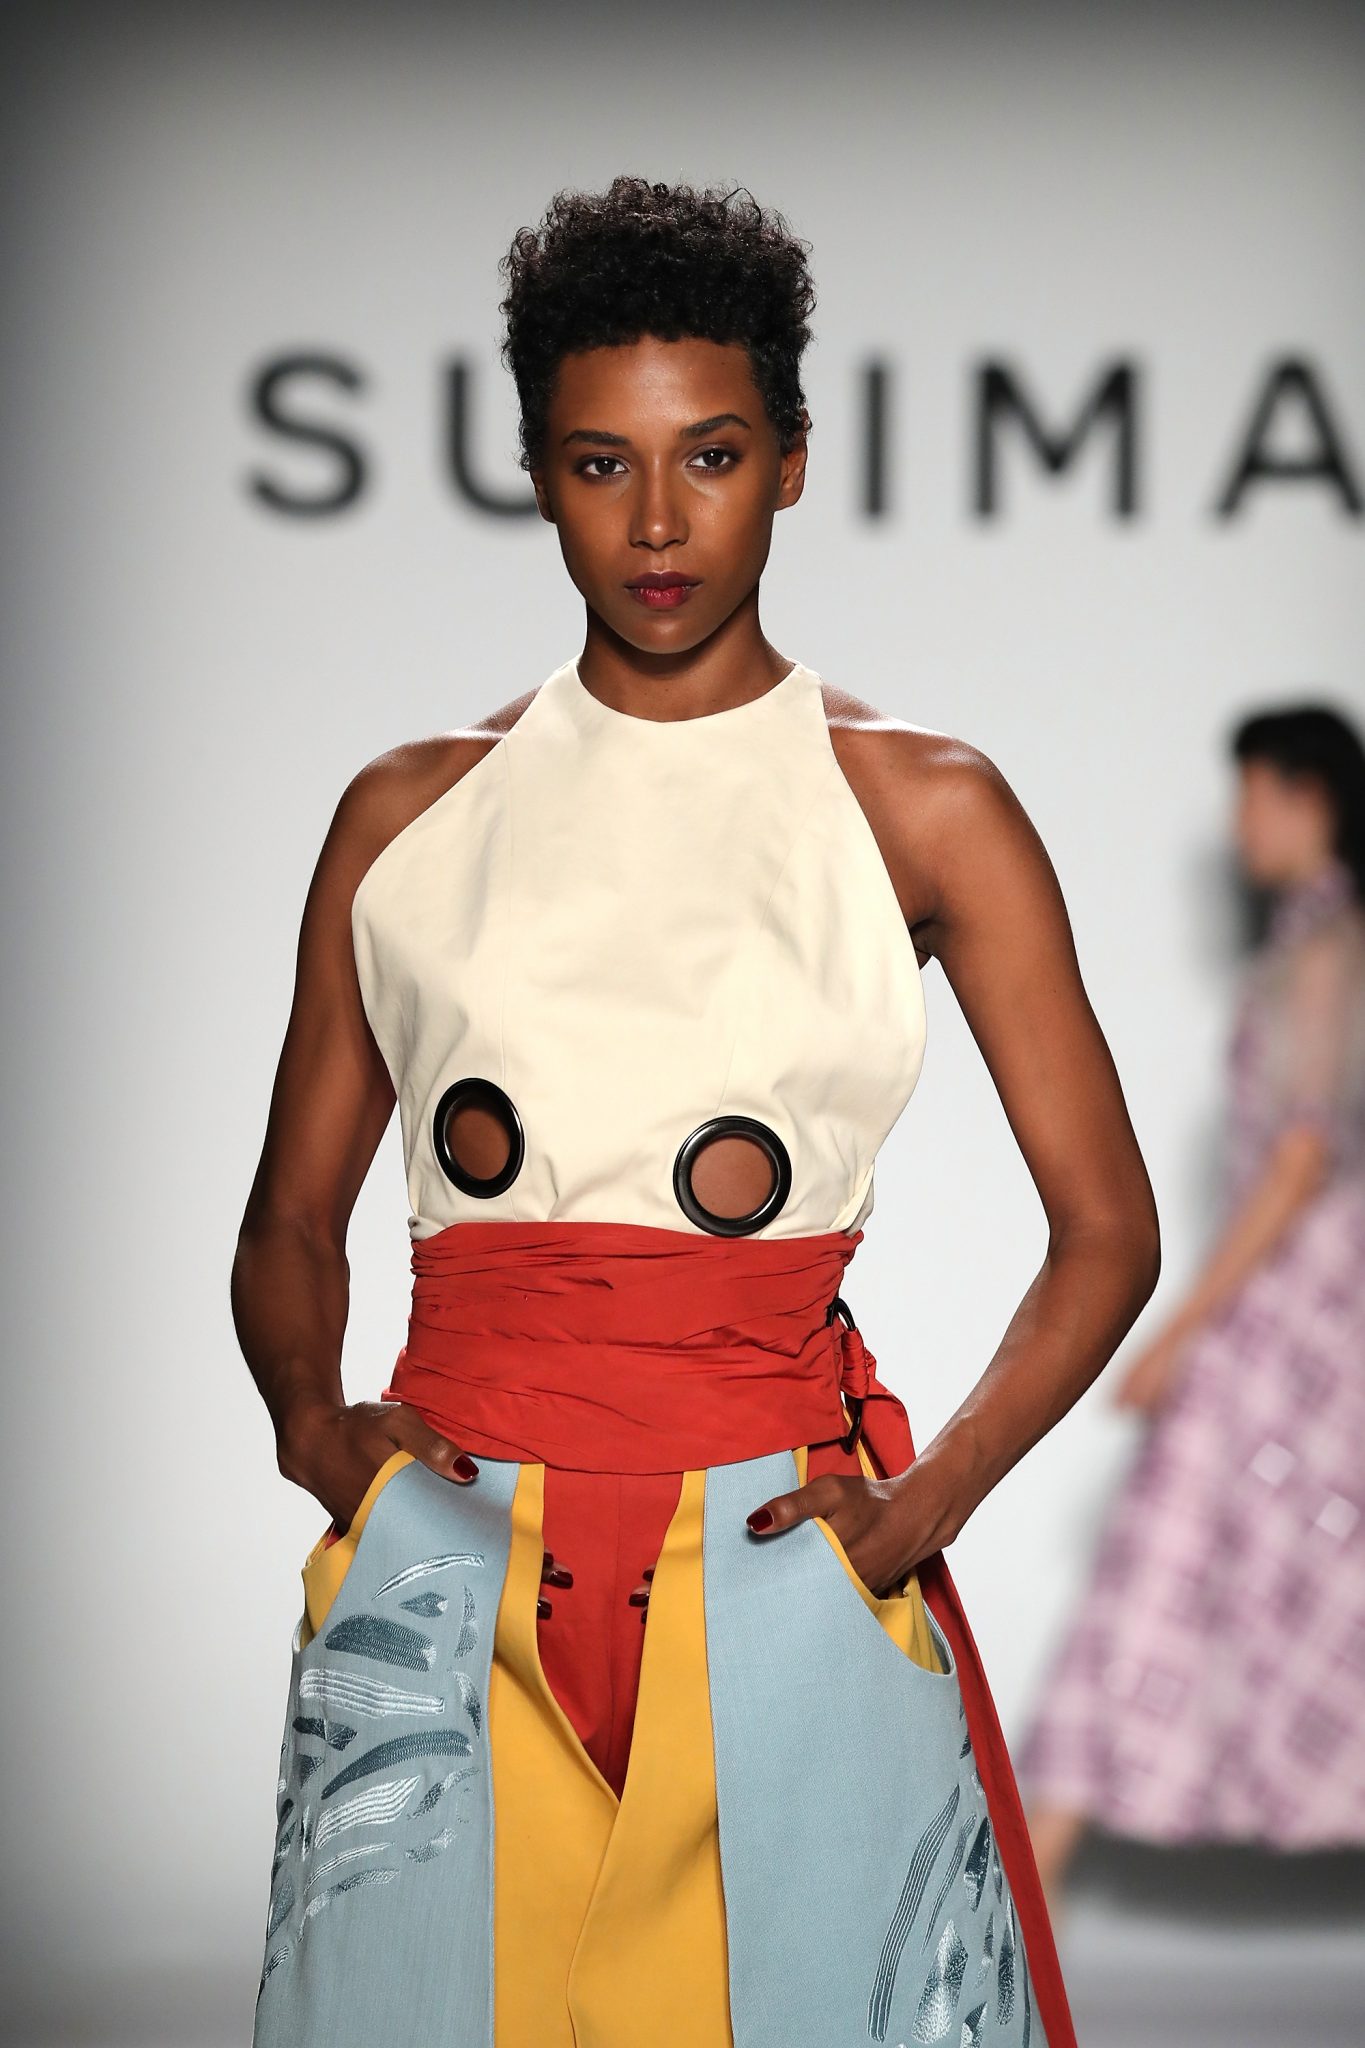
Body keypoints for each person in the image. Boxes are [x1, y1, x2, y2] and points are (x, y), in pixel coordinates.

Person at [231, 174, 1158, 2048]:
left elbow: (1109, 1229)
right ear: (536, 476)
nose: (657, 522)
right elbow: (288, 1221)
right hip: (447, 1563)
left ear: (792, 462)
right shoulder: (410, 813)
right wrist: (320, 1438)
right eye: (601, 464)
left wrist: (922, 1505)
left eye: (712, 456)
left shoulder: (922, 806)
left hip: (778, 1560)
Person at [1017, 703, 1365, 1911]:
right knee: (1186, 1586)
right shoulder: (1317, 946)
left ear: (1308, 797)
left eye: (1253, 792)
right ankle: (1016, 1914)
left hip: (1297, 1331)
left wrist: (1180, 1328)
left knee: (1161, 1583)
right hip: (1301, 1327)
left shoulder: (1328, 952)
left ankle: (1010, 1926)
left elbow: (1300, 1158)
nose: (1238, 821)